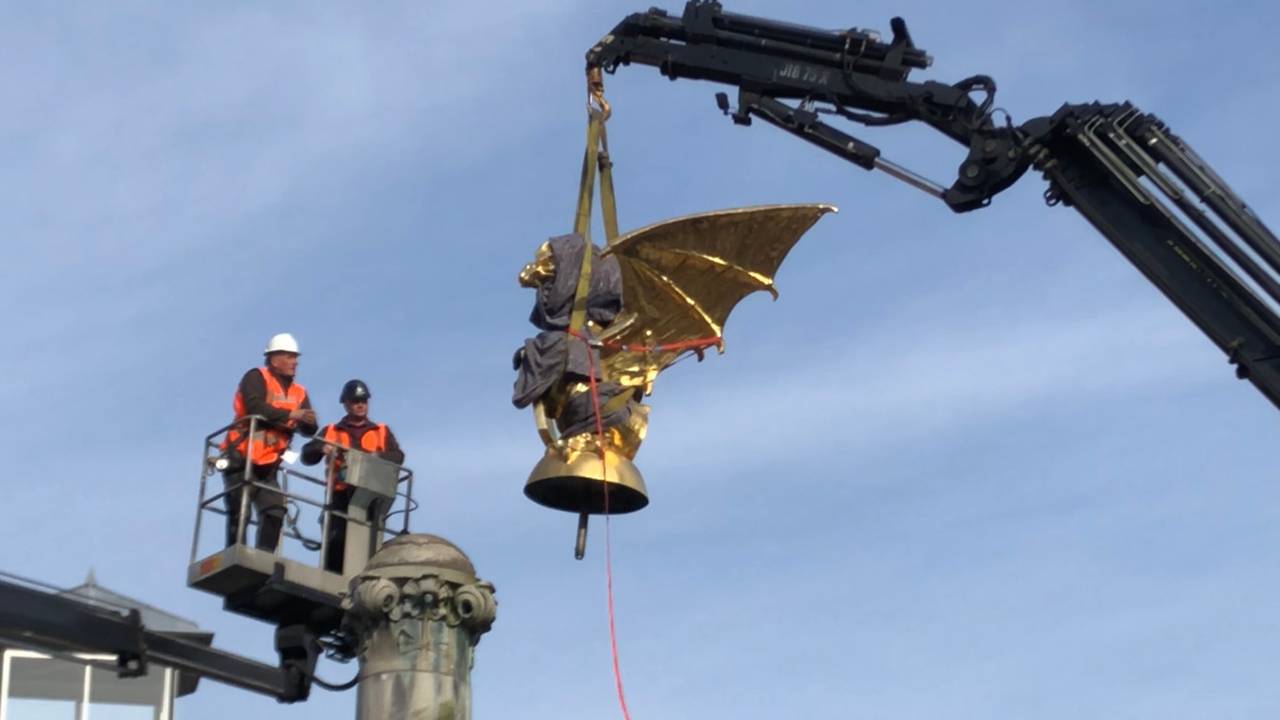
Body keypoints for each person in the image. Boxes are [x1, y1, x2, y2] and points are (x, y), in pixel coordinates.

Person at [220, 333, 317, 551]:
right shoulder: (256, 377)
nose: (295, 361)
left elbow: (308, 426)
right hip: (240, 457)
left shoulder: (299, 392)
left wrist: (308, 423)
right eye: (290, 356)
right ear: (274, 359)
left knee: (275, 511)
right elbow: (255, 407)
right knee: (239, 509)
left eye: (295, 357)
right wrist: (293, 415)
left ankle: (263, 560)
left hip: (268, 464)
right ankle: (235, 555)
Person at [302, 379, 404, 573]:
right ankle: (331, 578)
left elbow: (398, 456)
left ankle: (365, 578)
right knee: (336, 540)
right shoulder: (332, 431)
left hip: (369, 495)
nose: (360, 404)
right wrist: (321, 448)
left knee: (369, 543)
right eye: (356, 400)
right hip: (340, 494)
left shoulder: (381, 431)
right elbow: (307, 455)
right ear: (346, 404)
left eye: (363, 400)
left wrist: (374, 457)